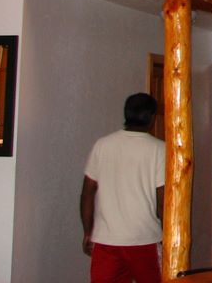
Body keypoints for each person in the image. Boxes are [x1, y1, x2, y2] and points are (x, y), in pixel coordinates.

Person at [80, 92, 166, 283]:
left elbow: (87, 193)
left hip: (106, 239)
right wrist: (169, 236)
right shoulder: (159, 149)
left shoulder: (102, 145)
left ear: (126, 114)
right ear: (152, 117)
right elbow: (163, 200)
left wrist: (88, 231)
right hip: (144, 238)